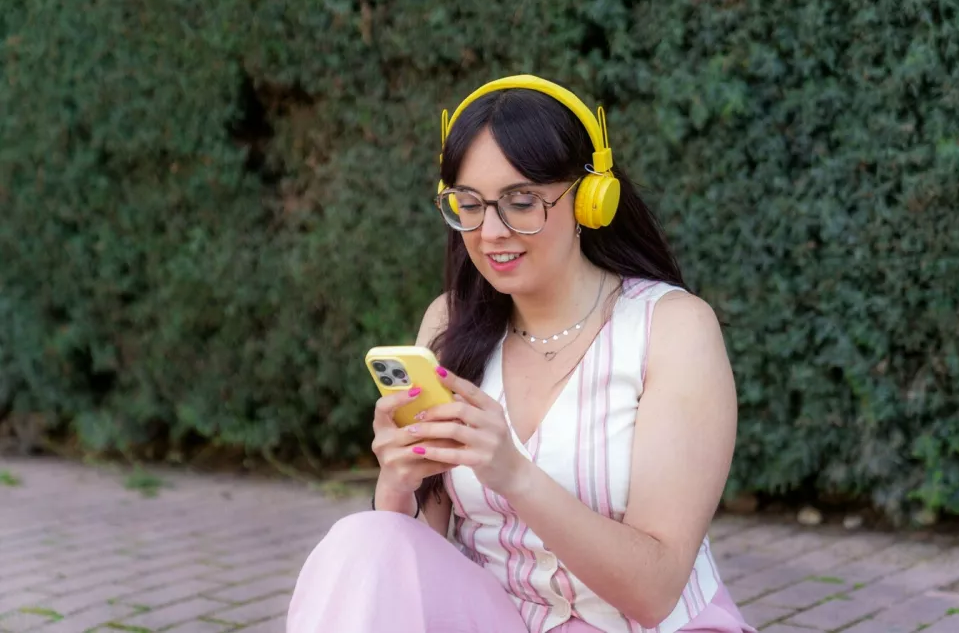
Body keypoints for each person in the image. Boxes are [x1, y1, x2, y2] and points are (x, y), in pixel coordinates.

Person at [286, 75, 757, 633]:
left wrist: (513, 474)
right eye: (470, 205)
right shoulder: (450, 322)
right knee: (363, 538)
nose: (490, 233)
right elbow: (404, 567)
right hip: (498, 619)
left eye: (521, 202)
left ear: (590, 200)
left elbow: (654, 592)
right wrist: (398, 481)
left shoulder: (671, 328)